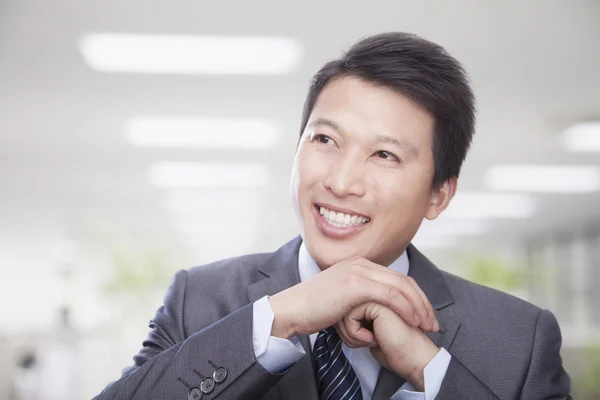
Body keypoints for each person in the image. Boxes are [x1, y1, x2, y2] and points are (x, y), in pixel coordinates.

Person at [94, 32, 571, 400]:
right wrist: (280, 317)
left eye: (385, 155)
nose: (342, 182)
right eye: (325, 140)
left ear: (439, 195)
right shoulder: (198, 301)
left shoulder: (519, 338)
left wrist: (431, 371)